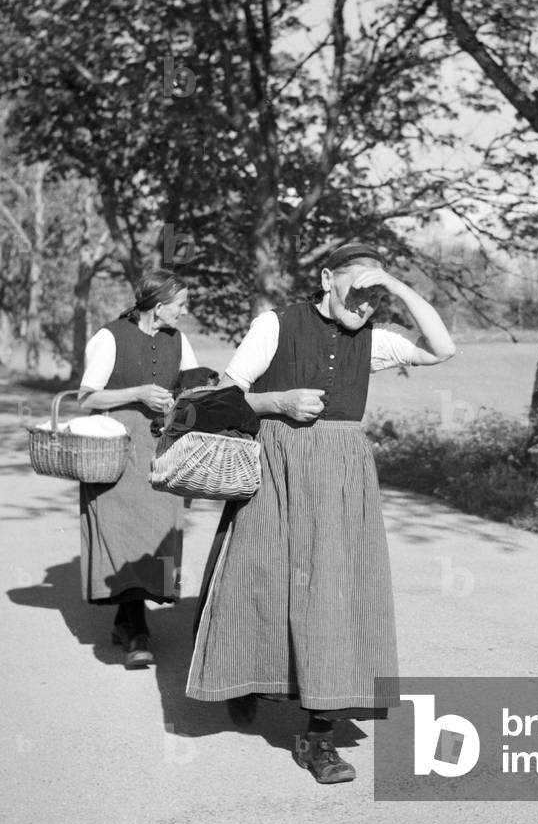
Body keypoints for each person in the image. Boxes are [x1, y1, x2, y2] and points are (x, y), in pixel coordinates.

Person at [186, 243, 456, 783]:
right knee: (259, 582)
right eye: (360, 292)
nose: (366, 306)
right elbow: (217, 399)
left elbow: (443, 348)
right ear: (328, 279)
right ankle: (245, 680)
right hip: (276, 469)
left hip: (341, 480)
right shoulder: (275, 326)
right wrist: (276, 402)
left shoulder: (375, 341)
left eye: (377, 298)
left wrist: (398, 287)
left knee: (335, 597)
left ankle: (319, 737)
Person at [77, 268, 198, 668]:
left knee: (157, 537)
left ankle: (126, 621)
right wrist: (139, 394)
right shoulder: (110, 337)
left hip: (160, 448)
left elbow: (192, 389)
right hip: (115, 447)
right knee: (123, 536)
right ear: (159, 306)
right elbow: (86, 398)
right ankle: (136, 630)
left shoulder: (179, 341)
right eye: (181, 304)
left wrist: (186, 400)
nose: (185, 310)